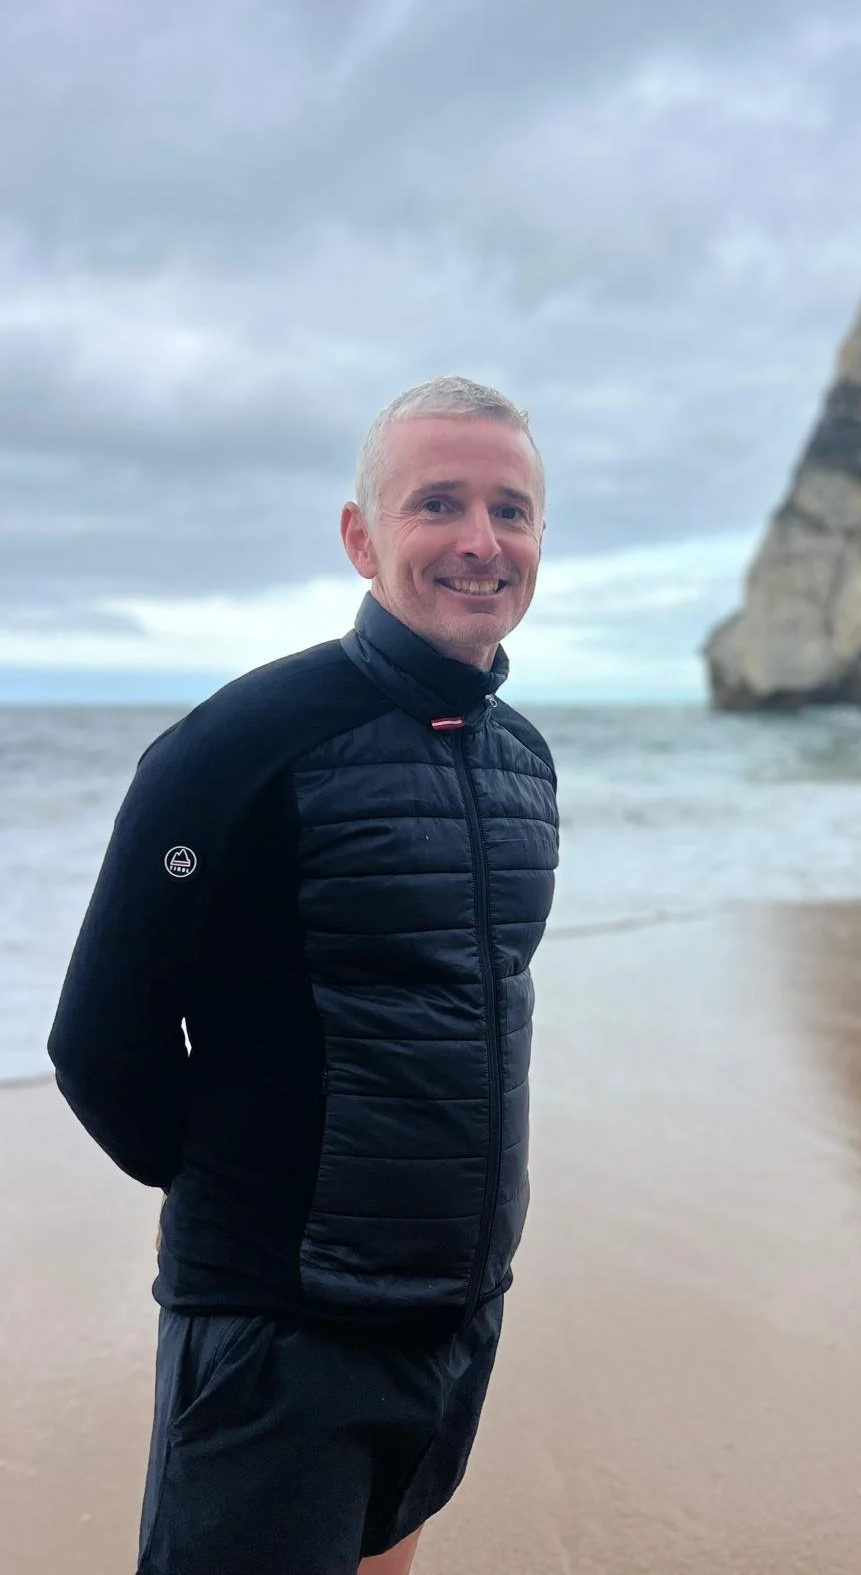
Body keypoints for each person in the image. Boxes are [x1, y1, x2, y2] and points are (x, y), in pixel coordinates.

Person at [46, 377, 559, 1575]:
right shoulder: (239, 744)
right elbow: (98, 1040)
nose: (482, 541)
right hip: (283, 1330)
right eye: (439, 503)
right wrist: (245, 1198)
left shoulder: (521, 758)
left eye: (512, 510)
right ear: (361, 535)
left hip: (456, 1303)